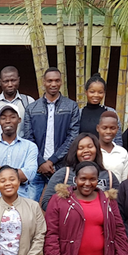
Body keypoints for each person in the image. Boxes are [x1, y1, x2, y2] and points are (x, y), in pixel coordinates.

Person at [21, 67, 81, 202]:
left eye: (56, 80)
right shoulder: (32, 108)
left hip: (61, 166)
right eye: (49, 81)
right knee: (30, 204)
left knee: (61, 204)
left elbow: (73, 137)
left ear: (61, 82)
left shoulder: (71, 107)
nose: (53, 84)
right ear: (44, 82)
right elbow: (28, 138)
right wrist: (41, 162)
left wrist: (52, 160)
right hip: (36, 166)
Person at [40, 133, 121, 210]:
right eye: (81, 148)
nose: (86, 150)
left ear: (97, 149)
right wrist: (71, 211)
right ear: (75, 152)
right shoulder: (64, 173)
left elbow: (119, 206)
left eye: (90, 147)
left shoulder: (109, 176)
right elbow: (46, 203)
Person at [0, 106, 38, 200]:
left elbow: (29, 174)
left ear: (19, 120)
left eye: (12, 117)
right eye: (3, 118)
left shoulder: (30, 146)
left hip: (21, 200)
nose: (8, 121)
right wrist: (17, 176)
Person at [0, 66, 34, 142]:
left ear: (18, 80)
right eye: (6, 81)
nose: (10, 84)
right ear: (0, 82)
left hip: (21, 148)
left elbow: (33, 131)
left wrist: (23, 147)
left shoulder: (28, 102)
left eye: (13, 80)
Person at [97, 111, 128, 181]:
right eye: (104, 128)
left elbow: (125, 180)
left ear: (117, 129)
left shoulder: (122, 152)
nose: (108, 131)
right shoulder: (92, 151)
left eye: (112, 128)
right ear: (98, 128)